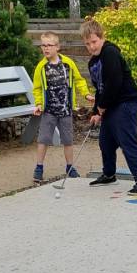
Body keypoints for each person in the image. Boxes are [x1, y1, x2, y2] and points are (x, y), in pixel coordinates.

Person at [81, 20, 137, 195]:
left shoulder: (110, 52)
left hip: (125, 102)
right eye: (87, 44)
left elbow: (114, 82)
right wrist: (96, 111)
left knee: (127, 141)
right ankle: (109, 174)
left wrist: (102, 106)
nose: (91, 46)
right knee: (105, 142)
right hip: (110, 105)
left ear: (102, 37)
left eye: (94, 41)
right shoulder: (93, 62)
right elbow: (100, 89)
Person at [31, 31, 90, 184]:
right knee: (43, 139)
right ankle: (39, 167)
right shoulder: (41, 67)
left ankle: (70, 167)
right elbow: (37, 88)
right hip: (48, 111)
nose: (46, 48)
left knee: (68, 140)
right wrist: (39, 104)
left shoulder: (68, 63)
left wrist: (86, 94)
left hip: (66, 110)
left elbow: (79, 80)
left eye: (49, 45)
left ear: (57, 47)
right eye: (43, 45)